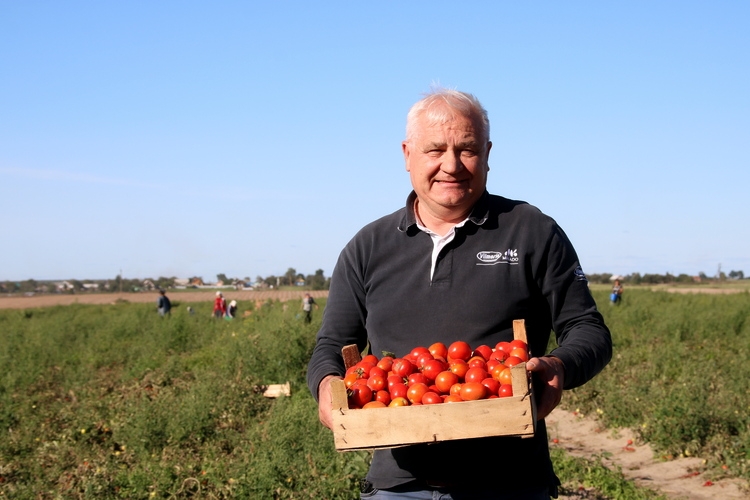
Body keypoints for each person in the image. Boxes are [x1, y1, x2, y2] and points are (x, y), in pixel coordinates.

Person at [306, 88, 613, 499]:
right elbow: (332, 342)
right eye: (435, 150)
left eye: (466, 150)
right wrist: (326, 383)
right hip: (398, 486)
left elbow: (589, 330)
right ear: (407, 154)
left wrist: (559, 365)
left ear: (487, 153)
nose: (451, 166)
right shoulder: (368, 247)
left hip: (510, 482)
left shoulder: (531, 230)